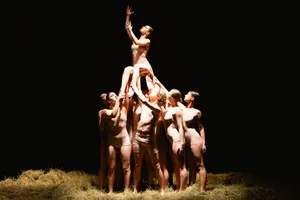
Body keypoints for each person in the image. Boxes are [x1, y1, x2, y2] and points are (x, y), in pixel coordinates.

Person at [131, 86, 167, 195]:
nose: (150, 91)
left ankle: (162, 190)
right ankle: (135, 189)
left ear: (158, 96)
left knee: (156, 165)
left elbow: (142, 98)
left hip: (149, 139)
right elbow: (140, 97)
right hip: (138, 137)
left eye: (154, 91)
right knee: (137, 164)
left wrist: (135, 87)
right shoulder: (145, 105)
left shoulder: (156, 108)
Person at [119, 5, 156, 100]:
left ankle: (132, 88)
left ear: (147, 33)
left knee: (137, 70)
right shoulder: (135, 40)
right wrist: (128, 16)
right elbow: (127, 29)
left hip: (143, 66)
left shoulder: (147, 41)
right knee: (127, 69)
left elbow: (137, 42)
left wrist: (131, 31)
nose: (142, 27)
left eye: (145, 27)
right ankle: (123, 92)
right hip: (136, 67)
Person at [100, 90, 132, 194]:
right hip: (112, 141)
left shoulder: (123, 108)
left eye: (116, 95)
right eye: (113, 96)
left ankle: (126, 190)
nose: (116, 96)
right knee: (111, 167)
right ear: (109, 101)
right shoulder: (105, 111)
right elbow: (102, 127)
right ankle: (110, 191)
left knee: (126, 167)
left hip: (124, 140)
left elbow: (126, 92)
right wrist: (101, 119)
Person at [163, 89, 188, 191]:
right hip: (171, 140)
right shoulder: (170, 108)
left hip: (176, 139)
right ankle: (178, 187)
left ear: (172, 98)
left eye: (169, 96)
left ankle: (183, 190)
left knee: (181, 166)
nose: (167, 96)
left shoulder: (177, 109)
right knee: (176, 165)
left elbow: (181, 127)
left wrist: (181, 142)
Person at [183, 91, 207, 192]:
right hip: (184, 138)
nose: (185, 95)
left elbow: (201, 127)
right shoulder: (182, 109)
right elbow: (169, 94)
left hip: (194, 137)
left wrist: (204, 142)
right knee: (190, 164)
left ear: (192, 98)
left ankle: (202, 190)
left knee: (199, 165)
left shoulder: (196, 111)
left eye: (187, 94)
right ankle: (191, 185)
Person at [97, 93, 109, 191]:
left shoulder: (114, 109)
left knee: (114, 164)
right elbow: (100, 128)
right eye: (103, 98)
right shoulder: (101, 112)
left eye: (106, 97)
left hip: (113, 138)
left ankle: (113, 187)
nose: (105, 100)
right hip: (105, 139)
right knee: (103, 163)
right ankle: (101, 188)